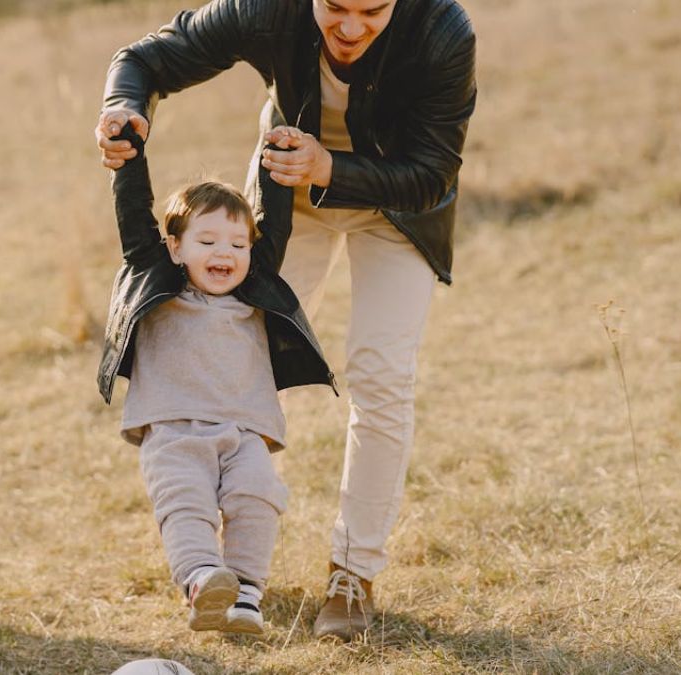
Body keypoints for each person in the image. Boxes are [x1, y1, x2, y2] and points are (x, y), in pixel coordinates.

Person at [95, 0, 476, 640]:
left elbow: (434, 171)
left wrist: (331, 167)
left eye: (373, 11)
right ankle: (217, 564)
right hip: (285, 199)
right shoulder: (266, 9)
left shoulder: (443, 30)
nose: (351, 27)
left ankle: (352, 575)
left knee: (381, 378)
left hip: (398, 207)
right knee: (240, 356)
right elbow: (146, 57)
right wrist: (123, 107)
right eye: (334, 8)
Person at [99, 124, 335, 634]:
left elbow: (276, 220)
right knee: (186, 504)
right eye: (206, 240)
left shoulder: (255, 289)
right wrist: (127, 152)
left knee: (256, 499)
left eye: (236, 243)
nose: (223, 253)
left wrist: (279, 150)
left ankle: (246, 593)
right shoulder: (156, 277)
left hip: (245, 429)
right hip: (173, 429)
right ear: (175, 248)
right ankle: (203, 581)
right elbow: (133, 216)